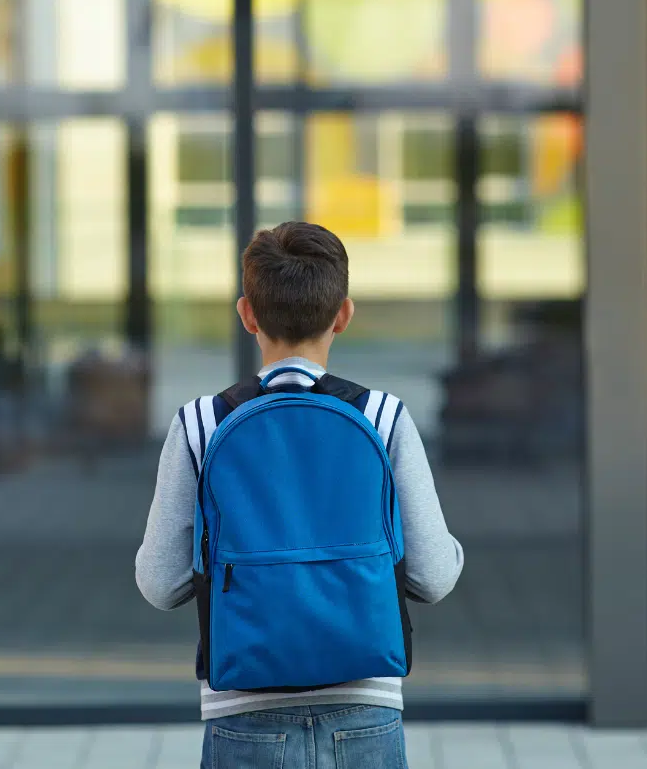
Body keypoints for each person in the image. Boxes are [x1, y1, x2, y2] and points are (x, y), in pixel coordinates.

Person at [136, 221, 464, 769]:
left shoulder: (200, 423)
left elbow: (160, 584)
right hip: (366, 708)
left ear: (246, 314)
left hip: (242, 711)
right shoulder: (384, 419)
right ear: (343, 314)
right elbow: (432, 576)